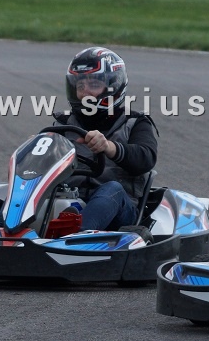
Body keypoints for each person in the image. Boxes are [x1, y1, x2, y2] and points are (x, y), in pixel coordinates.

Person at [54, 46, 158, 239]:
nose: (85, 93)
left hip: (119, 213)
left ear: (113, 87)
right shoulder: (63, 125)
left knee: (112, 189)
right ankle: (2, 231)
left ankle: (76, 237)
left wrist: (110, 147)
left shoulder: (135, 123)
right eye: (80, 86)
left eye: (93, 85)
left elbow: (146, 158)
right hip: (69, 202)